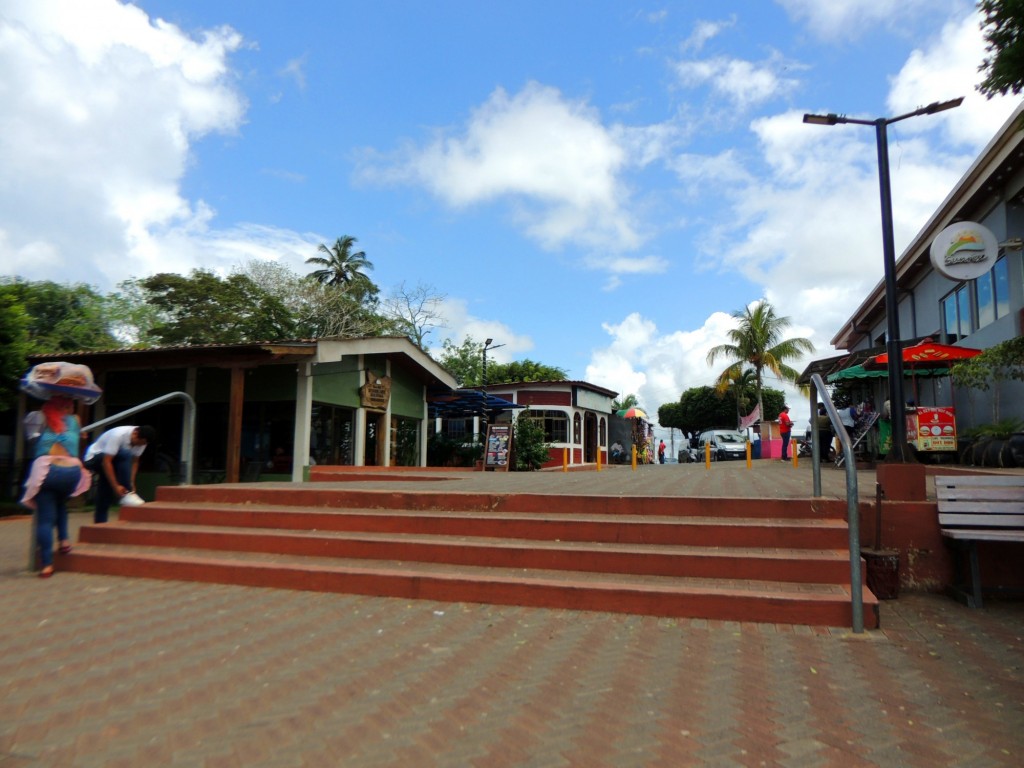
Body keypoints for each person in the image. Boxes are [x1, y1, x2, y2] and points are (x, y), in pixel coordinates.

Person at [20, 396, 91, 578]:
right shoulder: (75, 420)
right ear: (68, 407)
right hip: (71, 471)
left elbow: (33, 437)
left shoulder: (41, 418)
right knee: (60, 504)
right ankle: (64, 541)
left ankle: (47, 566)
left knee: (45, 519)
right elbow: (79, 434)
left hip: (47, 469)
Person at [84, 425, 157, 523]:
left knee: (105, 494)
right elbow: (106, 461)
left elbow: (135, 462)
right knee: (125, 454)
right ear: (135, 433)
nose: (138, 446)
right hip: (94, 458)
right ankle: (126, 494)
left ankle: (100, 526)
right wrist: (116, 487)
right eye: (138, 443)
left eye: (142, 444)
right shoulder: (118, 435)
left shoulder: (143, 442)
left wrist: (132, 482)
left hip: (113, 461)